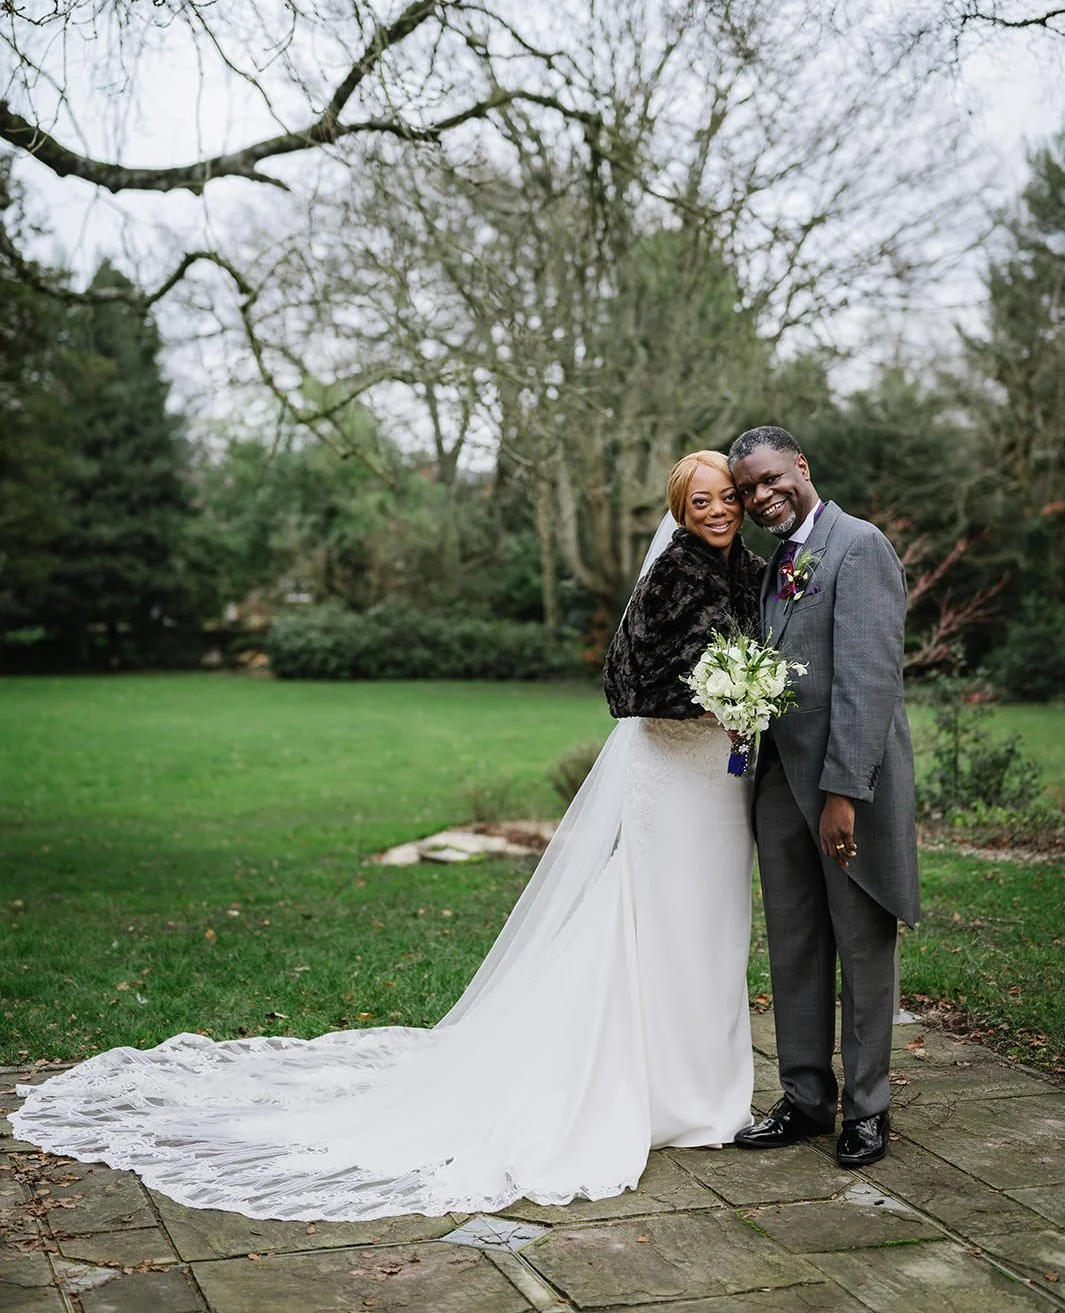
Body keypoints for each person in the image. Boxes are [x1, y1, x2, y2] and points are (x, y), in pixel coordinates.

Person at [13, 450, 765, 1222]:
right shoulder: (669, 576)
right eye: (698, 500)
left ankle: (706, 1086)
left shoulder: (749, 569)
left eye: (724, 498)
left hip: (721, 784)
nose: (715, 511)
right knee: (658, 922)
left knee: (712, 924)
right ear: (678, 508)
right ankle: (649, 1087)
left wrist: (752, 696)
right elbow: (623, 685)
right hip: (671, 775)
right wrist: (707, 701)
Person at [727, 425, 920, 1169]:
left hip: (848, 786)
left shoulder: (857, 545)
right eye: (746, 490)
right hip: (779, 784)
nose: (759, 496)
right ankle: (805, 1097)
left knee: (860, 945)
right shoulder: (780, 555)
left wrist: (843, 791)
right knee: (796, 942)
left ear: (800, 467)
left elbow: (869, 682)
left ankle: (867, 1110)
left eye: (770, 479)